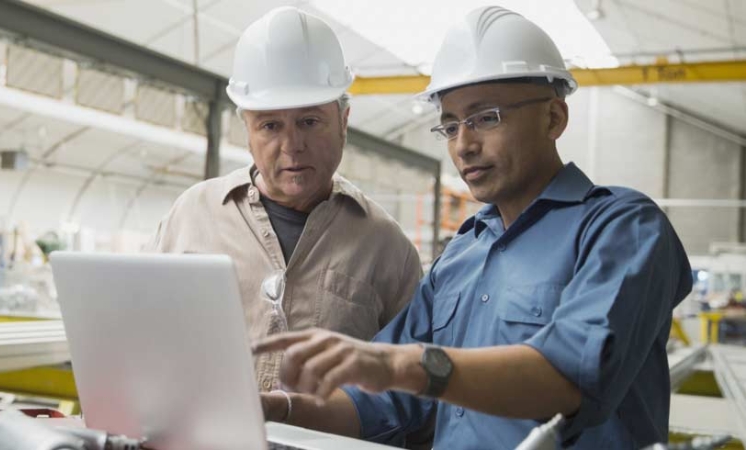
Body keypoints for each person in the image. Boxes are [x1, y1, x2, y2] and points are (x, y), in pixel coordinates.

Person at [254, 6, 692, 449]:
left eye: (487, 118)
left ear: (554, 118)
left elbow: (570, 376)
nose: (464, 144)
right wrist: (282, 409)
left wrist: (403, 364)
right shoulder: (463, 253)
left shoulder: (622, 228)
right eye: (449, 126)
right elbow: (380, 405)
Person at [150, 6, 422, 393]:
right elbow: (142, 339)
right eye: (271, 126)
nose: (292, 145)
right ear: (247, 130)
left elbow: (409, 397)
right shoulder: (191, 215)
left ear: (343, 122)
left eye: (310, 122)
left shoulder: (386, 248)